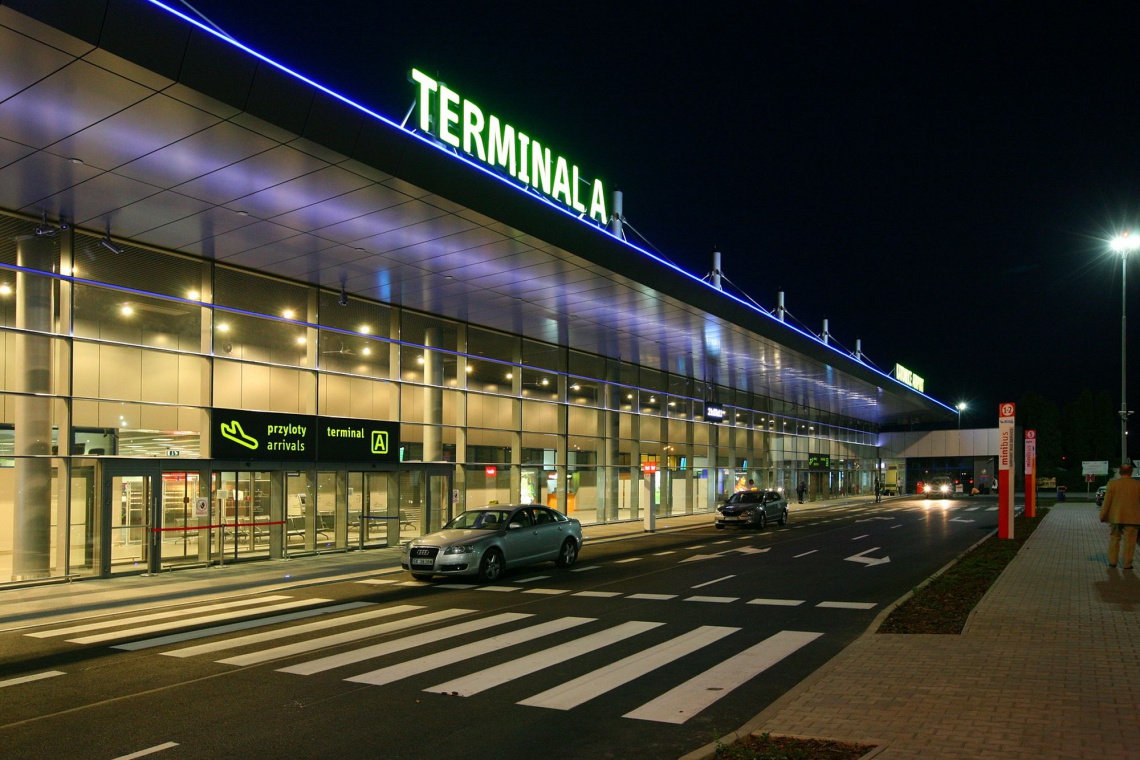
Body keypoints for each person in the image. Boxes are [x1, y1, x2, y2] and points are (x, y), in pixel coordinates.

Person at [1099, 462, 1140, 570]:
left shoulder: (1112, 484)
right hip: (1133, 518)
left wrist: (1102, 515)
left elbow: (1107, 502)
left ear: (1120, 472)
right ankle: (1127, 564)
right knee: (1130, 542)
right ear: (1131, 473)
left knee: (1114, 539)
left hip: (1116, 517)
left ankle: (1113, 562)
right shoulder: (1137, 485)